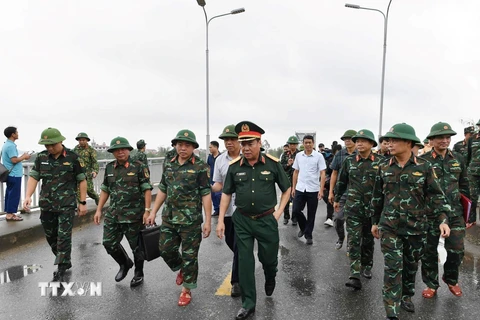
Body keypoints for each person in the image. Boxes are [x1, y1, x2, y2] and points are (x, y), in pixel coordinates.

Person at [370, 123, 451, 320]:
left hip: (416, 228)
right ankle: (392, 310)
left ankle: (406, 295)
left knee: (410, 266)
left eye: (394, 140)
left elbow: (436, 196)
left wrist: (442, 220)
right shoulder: (383, 167)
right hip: (390, 227)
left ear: (408, 142)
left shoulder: (424, 167)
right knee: (392, 267)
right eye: (388, 140)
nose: (389, 144)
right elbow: (377, 197)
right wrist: (374, 221)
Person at [216, 121, 291, 320]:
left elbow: (287, 189)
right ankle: (249, 304)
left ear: (259, 143)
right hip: (242, 220)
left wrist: (279, 212)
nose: (246, 148)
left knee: (268, 258)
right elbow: (226, 194)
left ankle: (270, 274)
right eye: (243, 144)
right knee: (245, 261)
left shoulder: (273, 164)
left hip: (267, 220)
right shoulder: (234, 168)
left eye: (250, 143)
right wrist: (221, 220)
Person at [147, 129, 211, 307]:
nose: (183, 148)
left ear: (193, 147)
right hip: (169, 217)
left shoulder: (200, 167)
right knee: (165, 249)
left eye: (187, 145)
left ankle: (186, 290)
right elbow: (163, 189)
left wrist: (207, 221)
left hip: (190, 221)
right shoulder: (169, 164)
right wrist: (153, 212)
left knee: (190, 256)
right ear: (175, 145)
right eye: (180, 144)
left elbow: (206, 195)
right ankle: (181, 269)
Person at [23, 128, 87, 282]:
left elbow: (82, 180)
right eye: (47, 146)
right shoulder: (41, 157)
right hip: (46, 204)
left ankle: (61, 267)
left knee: (63, 236)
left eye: (52, 145)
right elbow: (34, 177)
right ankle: (64, 259)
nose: (50, 148)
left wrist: (83, 202)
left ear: (60, 141)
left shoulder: (73, 157)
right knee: (51, 236)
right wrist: (27, 196)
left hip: (66, 205)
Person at [94, 137, 152, 287]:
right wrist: (99, 209)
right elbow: (105, 189)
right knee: (108, 243)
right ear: (112, 152)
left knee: (137, 247)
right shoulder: (109, 168)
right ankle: (125, 263)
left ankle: (139, 272)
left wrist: (147, 211)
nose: (120, 152)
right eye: (116, 150)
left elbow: (146, 189)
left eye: (123, 149)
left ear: (129, 150)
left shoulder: (139, 166)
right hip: (114, 213)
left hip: (134, 214)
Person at [420, 122, 470, 299]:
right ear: (431, 139)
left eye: (448, 137)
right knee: (429, 250)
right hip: (430, 212)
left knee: (456, 248)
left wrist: (469, 212)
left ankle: (450, 278)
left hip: (455, 211)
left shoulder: (458, 159)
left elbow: (464, 185)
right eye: (440, 137)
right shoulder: (423, 161)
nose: (445, 140)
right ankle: (431, 284)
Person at [334, 129, 383, 290]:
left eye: (363, 141)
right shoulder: (349, 161)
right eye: (357, 141)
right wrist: (336, 199)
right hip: (353, 207)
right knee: (354, 240)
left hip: (372, 209)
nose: (359, 143)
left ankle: (367, 265)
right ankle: (354, 274)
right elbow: (342, 181)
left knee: (368, 241)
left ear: (371, 144)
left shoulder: (381, 162)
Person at [211, 125, 241, 297]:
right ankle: (244, 262)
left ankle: (236, 281)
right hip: (228, 209)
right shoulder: (220, 160)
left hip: (244, 210)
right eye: (226, 140)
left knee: (238, 245)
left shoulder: (247, 156)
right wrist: (207, 189)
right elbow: (218, 184)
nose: (229, 142)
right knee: (232, 242)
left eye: (232, 139)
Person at [292, 135, 326, 245]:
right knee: (296, 210)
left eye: (310, 142)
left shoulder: (318, 156)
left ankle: (308, 235)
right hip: (300, 188)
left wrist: (321, 190)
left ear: (313, 143)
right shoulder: (298, 156)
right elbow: (296, 172)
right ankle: (304, 228)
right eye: (305, 142)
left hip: (313, 189)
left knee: (312, 213)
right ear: (303, 143)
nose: (308, 145)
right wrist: (293, 187)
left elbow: (322, 173)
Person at [328, 129, 357, 250]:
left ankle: (351, 245)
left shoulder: (360, 154)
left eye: (349, 138)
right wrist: (331, 191)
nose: (347, 141)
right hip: (342, 192)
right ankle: (341, 238)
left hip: (357, 192)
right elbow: (334, 173)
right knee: (339, 218)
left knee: (354, 222)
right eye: (345, 139)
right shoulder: (340, 154)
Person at [2, 126, 31, 221]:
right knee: (14, 194)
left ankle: (9, 213)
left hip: (11, 174)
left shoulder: (6, 144)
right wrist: (25, 156)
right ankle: (10, 215)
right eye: (16, 132)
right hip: (14, 174)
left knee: (10, 194)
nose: (18, 134)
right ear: (12, 134)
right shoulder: (10, 146)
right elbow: (14, 160)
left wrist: (22, 156)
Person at [73, 132, 100, 205]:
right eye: (80, 140)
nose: (81, 142)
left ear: (87, 140)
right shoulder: (75, 149)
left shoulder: (91, 150)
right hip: (78, 173)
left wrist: (95, 171)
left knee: (89, 190)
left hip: (87, 173)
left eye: (83, 140)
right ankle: (79, 206)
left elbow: (94, 162)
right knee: (78, 190)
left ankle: (97, 198)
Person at [280, 136, 300, 225]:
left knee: (296, 200)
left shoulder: (300, 154)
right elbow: (281, 167)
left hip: (298, 180)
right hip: (287, 179)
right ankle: (286, 216)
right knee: (286, 199)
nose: (292, 146)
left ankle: (294, 217)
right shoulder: (285, 155)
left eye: (294, 144)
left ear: (296, 145)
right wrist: (288, 164)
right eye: (291, 144)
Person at [466, 118, 480, 227]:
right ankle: (471, 220)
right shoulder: (472, 138)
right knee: (473, 197)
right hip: (473, 172)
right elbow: (468, 155)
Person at [321, 147, 334, 227]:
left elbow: (330, 170)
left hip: (334, 181)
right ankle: (330, 216)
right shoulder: (322, 158)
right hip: (327, 181)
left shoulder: (332, 158)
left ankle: (329, 217)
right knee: (328, 198)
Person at [207, 140, 221, 216]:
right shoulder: (209, 157)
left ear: (216, 147)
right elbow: (208, 167)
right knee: (212, 195)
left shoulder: (221, 157)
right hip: (211, 178)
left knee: (218, 195)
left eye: (211, 147)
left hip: (219, 179)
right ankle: (216, 210)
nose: (210, 149)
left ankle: (221, 208)